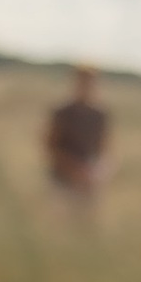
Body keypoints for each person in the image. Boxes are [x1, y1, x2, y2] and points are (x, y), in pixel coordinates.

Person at [44, 61, 111, 212]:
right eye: (82, 81)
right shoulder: (62, 112)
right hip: (62, 179)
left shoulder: (100, 114)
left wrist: (98, 172)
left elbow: (104, 148)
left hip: (89, 181)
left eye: (90, 82)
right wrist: (74, 170)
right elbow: (50, 146)